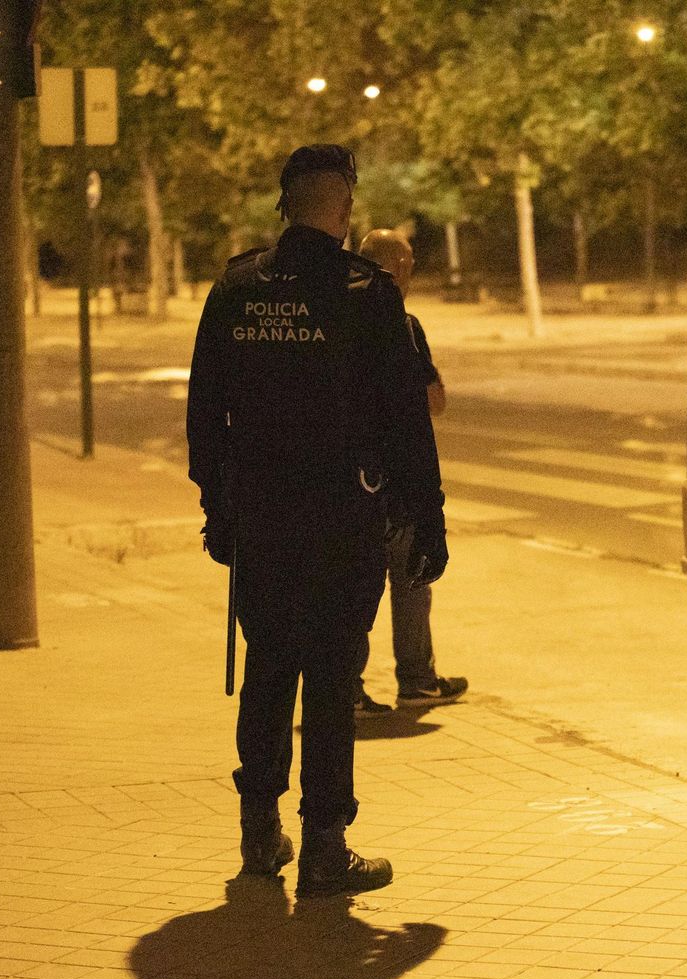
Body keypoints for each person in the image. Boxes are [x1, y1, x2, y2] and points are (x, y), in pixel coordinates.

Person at [186, 144, 447, 897]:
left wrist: (220, 508)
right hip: (341, 520)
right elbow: (406, 419)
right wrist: (425, 518)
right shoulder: (364, 293)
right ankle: (327, 845)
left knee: (269, 669)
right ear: (342, 205)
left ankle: (261, 832)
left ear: (286, 202)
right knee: (332, 678)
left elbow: (206, 414)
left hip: (263, 522)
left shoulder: (237, 287)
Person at [351, 228, 468, 715]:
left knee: (353, 588)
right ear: (396, 269)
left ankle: (345, 684)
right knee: (412, 580)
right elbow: (432, 400)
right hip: (397, 478)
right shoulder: (403, 325)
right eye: (411, 263)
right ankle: (415, 678)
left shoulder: (337, 318)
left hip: (349, 478)